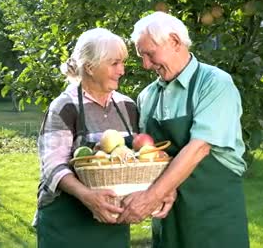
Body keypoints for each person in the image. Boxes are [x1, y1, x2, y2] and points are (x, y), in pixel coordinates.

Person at [117, 12, 249, 248]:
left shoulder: (215, 83)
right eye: (141, 56)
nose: (146, 64)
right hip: (167, 212)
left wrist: (150, 197)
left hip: (213, 214)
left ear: (175, 42)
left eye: (149, 54)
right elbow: (146, 154)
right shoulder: (147, 96)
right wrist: (160, 191)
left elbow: (199, 149)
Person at [34, 28, 169, 247]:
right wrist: (88, 196)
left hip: (112, 221)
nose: (122, 71)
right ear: (89, 67)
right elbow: (52, 167)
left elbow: (136, 157)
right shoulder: (65, 106)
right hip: (68, 222)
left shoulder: (127, 106)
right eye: (114, 63)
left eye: (123, 63)